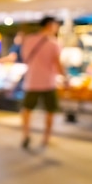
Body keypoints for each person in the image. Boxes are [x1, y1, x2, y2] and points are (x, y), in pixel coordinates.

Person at [21, 17, 66, 149]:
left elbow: (25, 58)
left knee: (27, 110)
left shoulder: (29, 40)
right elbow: (58, 65)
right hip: (48, 82)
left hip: (31, 80)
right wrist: (65, 78)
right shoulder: (53, 43)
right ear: (50, 25)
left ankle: (26, 134)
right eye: (56, 25)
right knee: (50, 110)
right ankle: (46, 137)